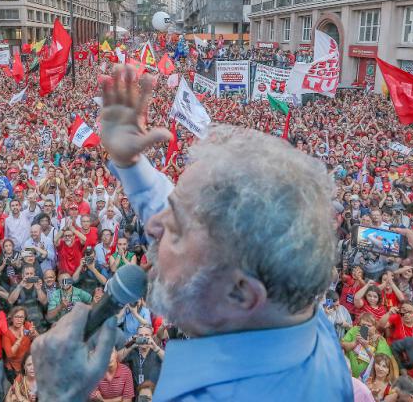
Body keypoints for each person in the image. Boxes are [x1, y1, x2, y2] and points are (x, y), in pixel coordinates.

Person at [30, 67, 353, 400]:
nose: (153, 226)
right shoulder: (302, 321)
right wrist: (131, 164)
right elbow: (209, 232)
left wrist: (58, 395)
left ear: (241, 293)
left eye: (176, 230)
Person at [117, 325, 164, 392]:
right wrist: (131, 346)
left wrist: (155, 347)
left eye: (147, 335)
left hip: (155, 393)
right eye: (141, 335)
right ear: (137, 336)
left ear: (151, 337)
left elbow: (170, 361)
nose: (143, 338)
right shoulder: (133, 351)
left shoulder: (157, 350)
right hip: (137, 394)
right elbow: (117, 359)